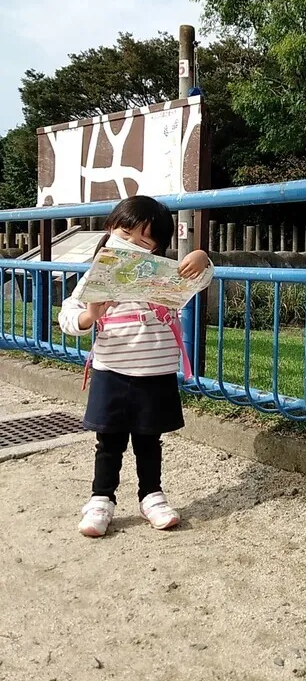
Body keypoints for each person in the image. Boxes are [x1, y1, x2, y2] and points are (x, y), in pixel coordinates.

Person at [59, 195, 213, 538]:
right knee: (109, 440)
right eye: (124, 235)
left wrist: (201, 258)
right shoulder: (94, 279)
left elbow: (201, 279)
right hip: (111, 370)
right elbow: (68, 316)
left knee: (149, 440)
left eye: (143, 242)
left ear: (156, 248)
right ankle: (101, 499)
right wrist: (89, 315)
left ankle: (152, 496)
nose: (131, 246)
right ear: (110, 229)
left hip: (154, 373)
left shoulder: (165, 276)